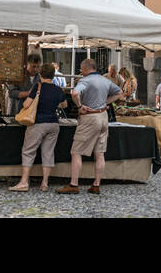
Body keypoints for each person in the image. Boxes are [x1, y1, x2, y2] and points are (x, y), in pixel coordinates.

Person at [58, 58, 121, 194]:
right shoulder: (105, 80)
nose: (80, 71)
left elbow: (74, 93)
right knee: (100, 153)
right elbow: (119, 93)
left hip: (90, 117)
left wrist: (80, 106)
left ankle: (74, 185)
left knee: (76, 152)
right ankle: (96, 185)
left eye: (81, 69)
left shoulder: (85, 80)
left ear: (85, 68)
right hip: (104, 116)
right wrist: (105, 102)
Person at [10, 63, 68, 191]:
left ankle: (24, 182)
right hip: (53, 124)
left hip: (38, 123)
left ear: (40, 74)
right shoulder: (58, 89)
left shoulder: (38, 87)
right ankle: (45, 183)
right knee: (48, 153)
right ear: (53, 75)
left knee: (28, 151)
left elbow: (26, 105)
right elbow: (64, 105)